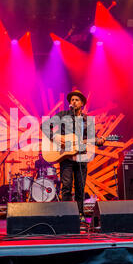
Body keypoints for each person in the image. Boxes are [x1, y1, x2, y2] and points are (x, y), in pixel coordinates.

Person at [42, 90, 105, 222]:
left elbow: (92, 138)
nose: (73, 102)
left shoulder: (86, 120)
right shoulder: (63, 115)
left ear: (82, 103)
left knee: (80, 187)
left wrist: (99, 142)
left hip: (81, 157)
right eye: (72, 100)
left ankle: (80, 214)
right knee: (66, 186)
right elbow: (45, 126)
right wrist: (56, 137)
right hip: (66, 157)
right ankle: (66, 215)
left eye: (76, 100)